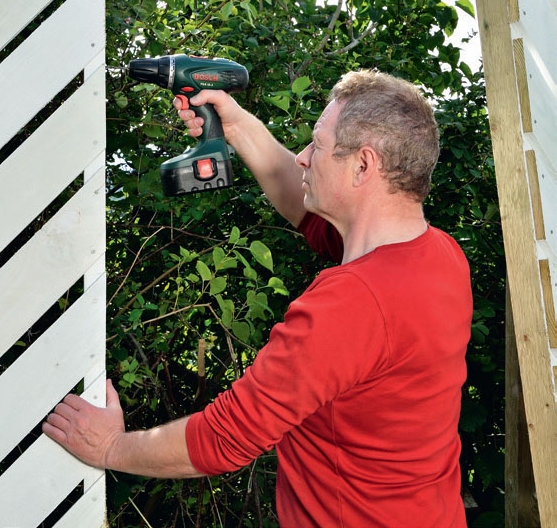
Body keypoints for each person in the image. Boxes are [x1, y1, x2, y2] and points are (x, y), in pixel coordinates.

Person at [43, 69, 472, 527]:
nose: (303, 158)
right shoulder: (440, 256)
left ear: (363, 166)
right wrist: (237, 126)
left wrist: (110, 447)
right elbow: (309, 209)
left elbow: (224, 439)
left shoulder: (352, 304)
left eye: (317, 145)